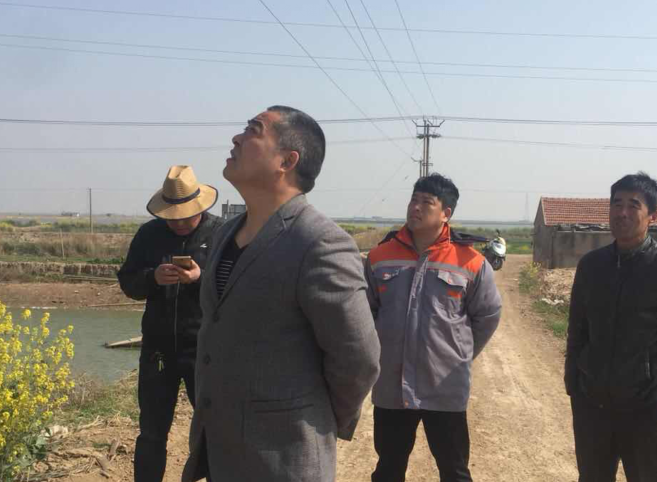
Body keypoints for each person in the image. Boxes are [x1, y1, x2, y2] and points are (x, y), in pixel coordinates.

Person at [181, 106, 381, 482]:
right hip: (221, 454)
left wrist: (315, 420)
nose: (237, 138)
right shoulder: (225, 234)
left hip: (284, 458)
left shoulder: (319, 242)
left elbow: (358, 357)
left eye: (253, 130)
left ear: (287, 161)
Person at [564, 172, 657, 482]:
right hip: (592, 406)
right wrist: (574, 383)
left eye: (633, 205)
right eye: (616, 204)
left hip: (645, 409)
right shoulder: (591, 266)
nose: (622, 213)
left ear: (653, 215)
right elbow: (578, 329)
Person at [364, 173, 502, 482]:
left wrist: (460, 354)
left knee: (454, 471)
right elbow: (366, 312)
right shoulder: (379, 256)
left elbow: (488, 315)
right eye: (413, 199)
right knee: (388, 469)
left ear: (446, 213)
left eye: (427, 202)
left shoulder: (470, 261)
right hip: (392, 386)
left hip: (444, 386)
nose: (416, 207)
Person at [117, 165, 224, 482]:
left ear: (200, 207)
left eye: (184, 216)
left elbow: (238, 289)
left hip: (206, 350)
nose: (177, 222)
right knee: (151, 431)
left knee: (215, 431)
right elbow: (128, 283)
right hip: (158, 350)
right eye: (171, 216)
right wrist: (152, 278)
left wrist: (200, 279)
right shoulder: (148, 235)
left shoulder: (222, 234)